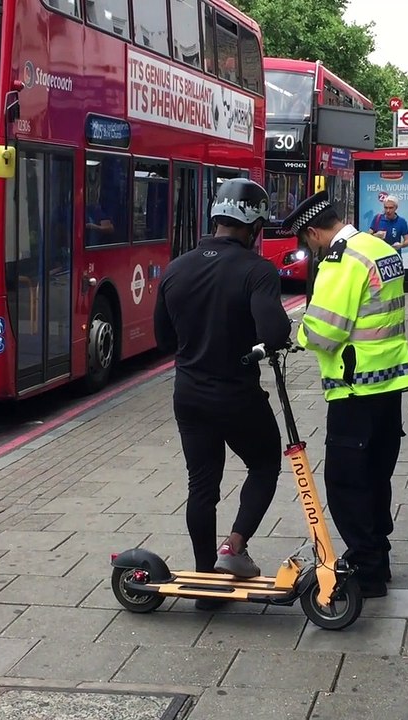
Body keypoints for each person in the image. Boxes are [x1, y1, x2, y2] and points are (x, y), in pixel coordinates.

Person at [153, 178, 292, 610]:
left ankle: (205, 582)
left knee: (202, 485)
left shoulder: (177, 268)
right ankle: (233, 547)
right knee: (266, 462)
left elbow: (162, 339)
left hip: (189, 394)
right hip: (236, 394)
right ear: (253, 226)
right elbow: (275, 332)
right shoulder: (257, 270)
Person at [279, 190, 408, 599]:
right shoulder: (378, 247)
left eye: (307, 240)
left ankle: (366, 569)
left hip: (354, 388)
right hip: (389, 383)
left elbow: (325, 331)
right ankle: (380, 557)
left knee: (346, 482)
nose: (310, 248)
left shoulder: (342, 261)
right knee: (377, 475)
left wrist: (299, 334)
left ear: (313, 232)